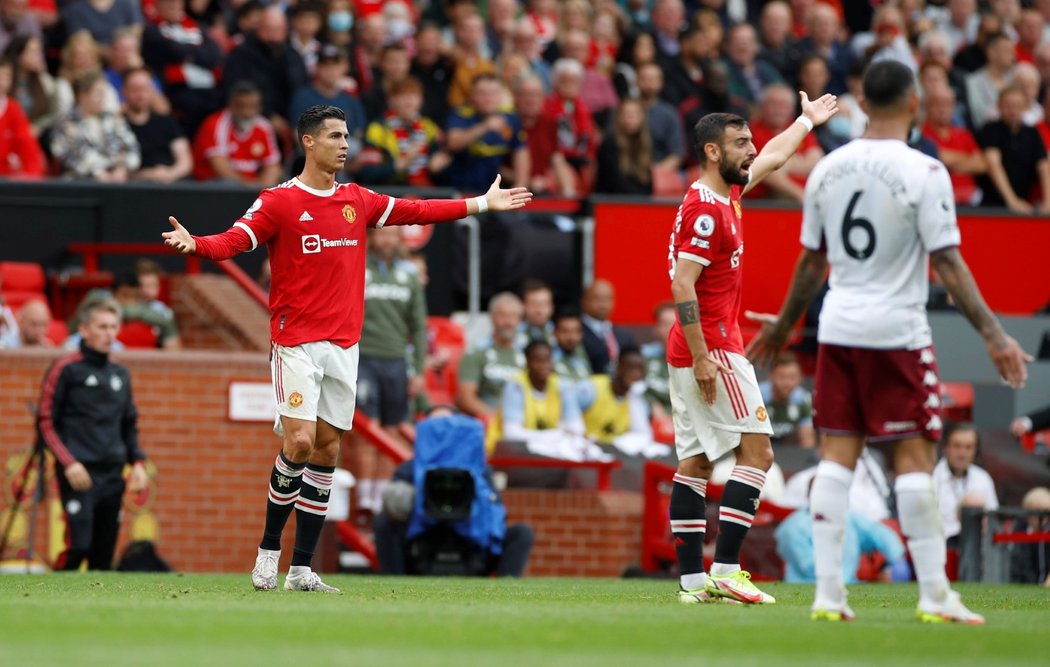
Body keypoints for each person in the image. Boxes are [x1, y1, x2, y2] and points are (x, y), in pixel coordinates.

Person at [161, 104, 532, 593]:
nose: (344, 144)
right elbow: (238, 239)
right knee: (298, 442)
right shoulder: (279, 201)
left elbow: (416, 210)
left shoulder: (357, 199)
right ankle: (268, 553)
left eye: (346, 136)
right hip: (295, 341)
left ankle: (302, 569)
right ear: (308, 142)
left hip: (343, 344)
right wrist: (199, 244)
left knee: (329, 448)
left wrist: (481, 204)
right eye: (335, 136)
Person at [747, 60, 1030, 623]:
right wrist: (995, 333)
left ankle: (829, 596)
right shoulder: (925, 171)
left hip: (838, 330)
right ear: (914, 103)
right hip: (897, 332)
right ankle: (933, 595)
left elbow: (811, 261)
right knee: (915, 459)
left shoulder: (827, 168)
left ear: (864, 103)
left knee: (836, 458)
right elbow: (947, 262)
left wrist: (783, 325)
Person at [666, 89, 838, 606]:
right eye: (741, 142)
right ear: (713, 151)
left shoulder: (728, 194)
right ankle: (726, 567)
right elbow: (681, 285)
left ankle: (693, 583)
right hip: (712, 347)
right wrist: (703, 356)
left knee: (695, 461)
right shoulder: (706, 212)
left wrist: (805, 123)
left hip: (697, 345)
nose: (751, 149)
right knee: (758, 451)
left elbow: (777, 156)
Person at [36, 297, 149, 570]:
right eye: (102, 327)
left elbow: (128, 423)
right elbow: (45, 421)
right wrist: (69, 463)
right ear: (84, 330)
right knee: (78, 547)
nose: (109, 333)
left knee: (103, 555)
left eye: (113, 326)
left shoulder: (120, 373)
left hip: (113, 473)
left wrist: (137, 463)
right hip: (79, 473)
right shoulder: (66, 368)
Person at [373, 408, 533, 576]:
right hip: (424, 542)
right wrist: (414, 499)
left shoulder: (480, 470)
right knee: (383, 522)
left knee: (522, 533)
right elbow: (391, 503)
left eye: (448, 425)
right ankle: (393, 584)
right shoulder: (410, 468)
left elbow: (497, 509)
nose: (443, 430)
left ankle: (506, 591)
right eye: (436, 426)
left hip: (470, 543)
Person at [353, 225, 427, 514]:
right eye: (381, 234)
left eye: (392, 235)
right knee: (366, 429)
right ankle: (363, 499)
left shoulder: (409, 275)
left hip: (397, 361)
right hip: (364, 358)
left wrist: (418, 370)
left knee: (392, 429)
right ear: (372, 237)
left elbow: (419, 326)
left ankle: (382, 499)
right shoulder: (357, 266)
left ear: (399, 240)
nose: (386, 239)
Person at [776, 503, 907, 585]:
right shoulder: (793, 526)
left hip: (850, 586)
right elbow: (807, 566)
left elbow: (884, 537)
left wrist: (893, 566)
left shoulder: (850, 518)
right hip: (806, 586)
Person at [50, 70, 140, 182]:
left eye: (104, 93)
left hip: (118, 183)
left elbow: (132, 147)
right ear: (82, 95)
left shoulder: (114, 119)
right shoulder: (65, 123)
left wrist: (122, 168)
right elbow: (64, 155)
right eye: (98, 93)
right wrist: (97, 172)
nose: (103, 98)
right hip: (80, 185)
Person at [191, 81, 282, 187]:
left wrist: (264, 189)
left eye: (253, 106)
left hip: (253, 188)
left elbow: (273, 166)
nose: (247, 113)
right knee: (225, 184)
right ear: (231, 105)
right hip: (213, 188)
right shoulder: (216, 124)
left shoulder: (264, 126)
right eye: (241, 106)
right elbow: (221, 170)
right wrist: (250, 189)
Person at [977, 85, 1050, 214]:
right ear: (999, 106)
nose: (1013, 111)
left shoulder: (1032, 133)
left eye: (1017, 106)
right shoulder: (990, 129)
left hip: (1025, 204)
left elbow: (1043, 166)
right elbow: (993, 164)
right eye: (1008, 105)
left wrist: (1048, 202)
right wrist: (1012, 200)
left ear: (1025, 107)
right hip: (991, 207)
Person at [455, 292, 526, 419]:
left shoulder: (527, 354)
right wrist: (496, 420)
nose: (508, 322)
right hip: (489, 421)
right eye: (502, 315)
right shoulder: (475, 353)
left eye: (513, 316)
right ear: (492, 317)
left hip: (523, 420)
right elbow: (466, 398)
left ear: (520, 320)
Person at [123, 66, 192, 183]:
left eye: (144, 89)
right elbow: (118, 168)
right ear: (124, 91)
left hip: (172, 184)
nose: (140, 95)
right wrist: (147, 175)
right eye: (135, 89)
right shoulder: (117, 125)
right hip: (134, 188)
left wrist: (169, 174)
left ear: (152, 91)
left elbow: (185, 161)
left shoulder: (167, 121)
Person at [933, 423, 999, 546]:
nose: (962, 454)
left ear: (976, 451)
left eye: (968, 447)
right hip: (943, 548)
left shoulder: (983, 478)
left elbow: (992, 519)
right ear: (946, 447)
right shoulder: (932, 479)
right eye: (957, 446)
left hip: (977, 548)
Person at [0, 53, 44, 178]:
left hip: (7, 181)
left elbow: (27, 147)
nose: (3, 82)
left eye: (7, 76)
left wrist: (32, 177)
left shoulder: (13, 108)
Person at [758, 352, 815, 448]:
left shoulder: (804, 400)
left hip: (789, 452)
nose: (787, 383)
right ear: (771, 376)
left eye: (792, 377)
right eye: (782, 377)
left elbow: (807, 440)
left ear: (800, 378)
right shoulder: (757, 398)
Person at [580, 279, 635, 376]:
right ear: (584, 301)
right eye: (597, 298)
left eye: (608, 299)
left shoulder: (623, 335)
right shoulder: (576, 332)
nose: (603, 304)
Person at [1008, 486, 1050, 585]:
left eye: (1047, 512)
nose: (1044, 518)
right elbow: (1018, 567)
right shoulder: (1020, 531)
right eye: (1039, 511)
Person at [516, 279, 554, 347]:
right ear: (523, 306)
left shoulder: (558, 332)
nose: (539, 310)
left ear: (552, 307)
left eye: (544, 304)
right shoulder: (513, 333)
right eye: (533, 304)